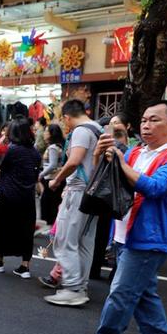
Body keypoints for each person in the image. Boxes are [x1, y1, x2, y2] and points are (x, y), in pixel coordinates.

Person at [76, 100, 167, 334]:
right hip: (124, 232)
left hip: (149, 237)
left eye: (154, 120)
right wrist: (100, 155)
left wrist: (121, 162)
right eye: (144, 120)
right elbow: (109, 179)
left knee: (122, 291)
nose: (146, 125)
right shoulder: (136, 152)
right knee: (143, 292)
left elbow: (156, 187)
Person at [43, 100, 101, 306]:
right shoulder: (98, 129)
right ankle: (81, 286)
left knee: (65, 240)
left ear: (67, 117)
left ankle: (73, 289)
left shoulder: (81, 131)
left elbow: (75, 160)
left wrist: (57, 180)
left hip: (78, 191)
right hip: (94, 194)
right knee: (85, 243)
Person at [0, 117, 41, 279]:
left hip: (8, 194)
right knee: (26, 231)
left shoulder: (10, 149)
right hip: (27, 196)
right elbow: (36, 174)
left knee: (3, 228)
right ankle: (25, 266)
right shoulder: (34, 151)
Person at [38, 124, 65, 227]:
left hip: (51, 178)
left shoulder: (53, 147)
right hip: (53, 178)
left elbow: (53, 165)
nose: (44, 133)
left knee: (48, 203)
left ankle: (48, 224)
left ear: (51, 134)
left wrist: (41, 174)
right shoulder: (57, 146)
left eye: (46, 131)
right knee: (52, 202)